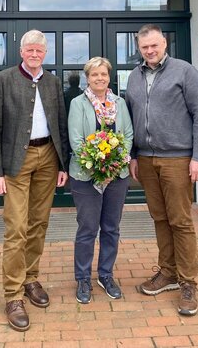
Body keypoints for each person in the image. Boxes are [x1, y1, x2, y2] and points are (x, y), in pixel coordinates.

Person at [0, 29, 69, 332]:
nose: (34, 55)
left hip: (47, 156)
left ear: (45, 54)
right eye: (29, 50)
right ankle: (13, 295)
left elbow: (59, 123)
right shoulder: (4, 80)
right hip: (15, 163)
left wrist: (63, 163)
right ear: (21, 51)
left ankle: (31, 278)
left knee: (39, 223)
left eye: (39, 51)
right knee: (16, 228)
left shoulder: (53, 82)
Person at [125, 24, 198, 317]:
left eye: (154, 45)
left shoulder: (184, 71)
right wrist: (134, 155)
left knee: (181, 221)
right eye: (144, 47)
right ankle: (168, 272)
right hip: (146, 160)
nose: (150, 51)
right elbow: (132, 116)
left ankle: (188, 283)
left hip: (177, 159)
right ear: (139, 49)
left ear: (164, 43)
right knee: (160, 218)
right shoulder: (135, 77)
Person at [68, 57, 133, 304]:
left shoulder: (120, 102)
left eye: (104, 74)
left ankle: (105, 274)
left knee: (111, 228)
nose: (100, 78)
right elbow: (76, 139)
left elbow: (127, 133)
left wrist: (116, 159)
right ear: (87, 77)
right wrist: (98, 162)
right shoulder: (78, 103)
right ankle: (83, 278)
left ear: (109, 77)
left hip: (117, 175)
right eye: (95, 74)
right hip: (86, 175)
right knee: (87, 228)